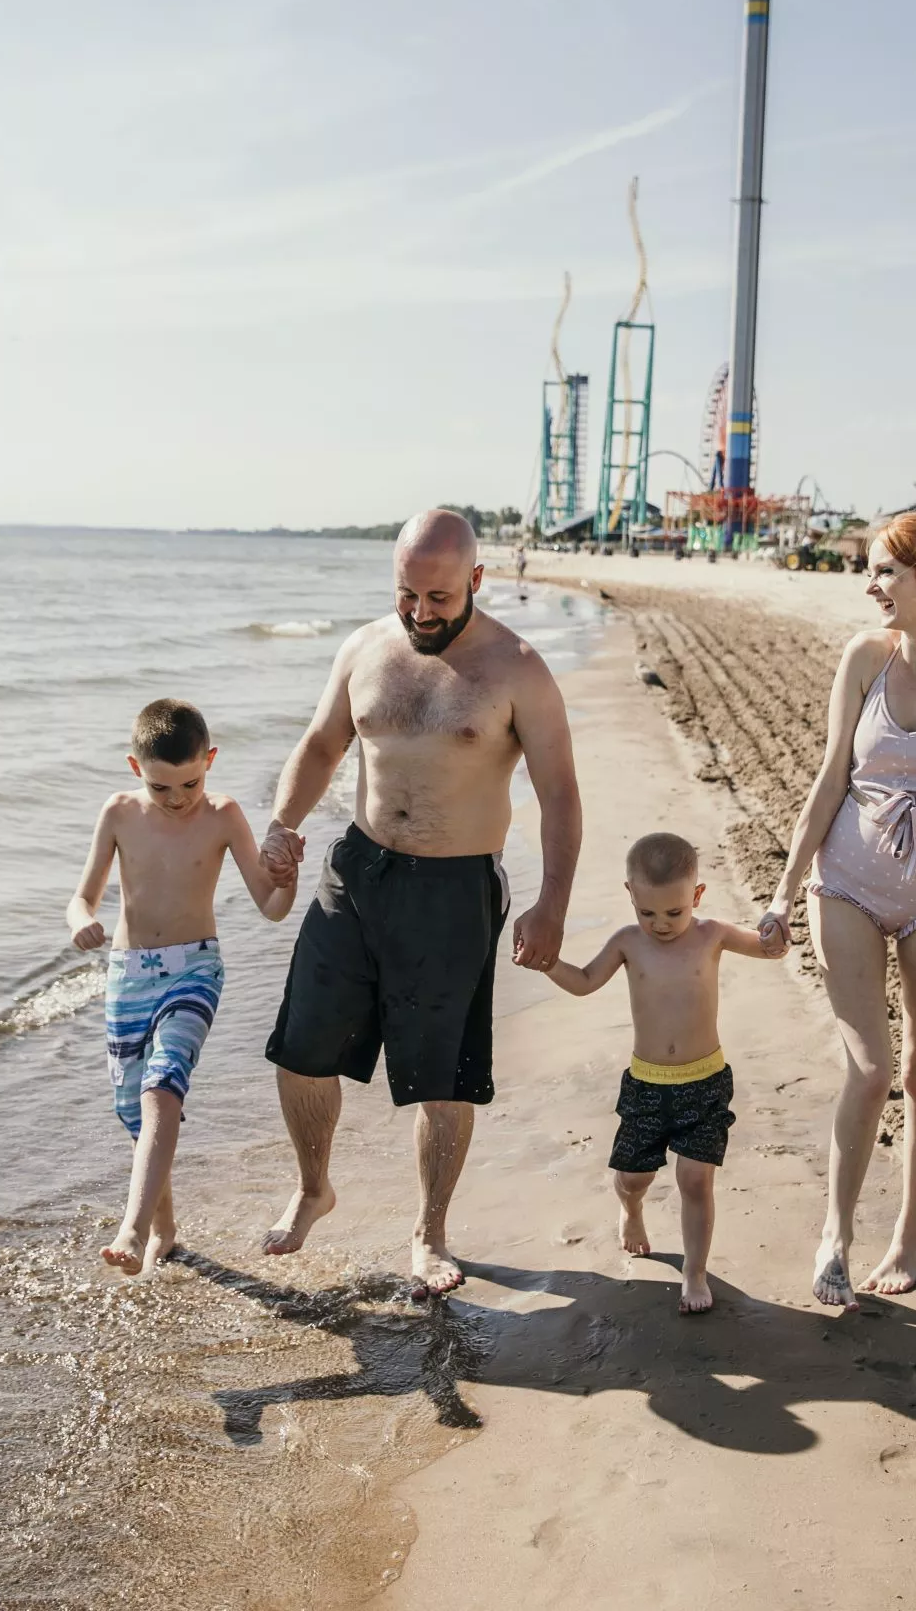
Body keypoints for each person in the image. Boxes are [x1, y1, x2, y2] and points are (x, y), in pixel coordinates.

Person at [259, 509, 581, 1298]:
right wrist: (281, 824)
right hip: (357, 871)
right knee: (301, 1048)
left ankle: (429, 1233)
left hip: (453, 886)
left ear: (477, 578)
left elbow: (560, 796)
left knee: (442, 1077)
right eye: (406, 594)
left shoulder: (518, 668)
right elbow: (321, 743)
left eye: (437, 596)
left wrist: (551, 905)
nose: (420, 612)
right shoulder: (364, 649)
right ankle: (313, 1188)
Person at [759, 513, 916, 1309]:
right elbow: (829, 778)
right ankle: (834, 1235)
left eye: (883, 572)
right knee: (869, 1070)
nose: (869, 585)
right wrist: (781, 889)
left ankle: (909, 1236)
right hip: (846, 882)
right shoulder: (862, 658)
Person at [67, 699, 295, 1276]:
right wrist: (80, 923)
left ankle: (133, 1227)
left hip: (195, 968)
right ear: (134, 767)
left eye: (189, 782)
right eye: (160, 787)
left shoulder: (222, 814)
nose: (177, 798)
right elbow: (82, 895)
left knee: (162, 1086)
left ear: (210, 760)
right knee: (133, 1111)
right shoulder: (118, 813)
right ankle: (164, 1227)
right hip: (127, 973)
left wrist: (286, 882)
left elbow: (269, 906)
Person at [531, 831, 788, 1315]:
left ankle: (694, 1269)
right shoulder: (628, 943)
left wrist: (775, 932)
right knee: (632, 1176)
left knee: (695, 1179)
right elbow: (585, 983)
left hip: (705, 1082)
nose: (661, 924)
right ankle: (630, 1210)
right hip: (647, 1084)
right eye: (647, 913)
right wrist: (548, 964)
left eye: (674, 912)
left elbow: (767, 948)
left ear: (697, 895)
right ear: (630, 895)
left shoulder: (713, 933)